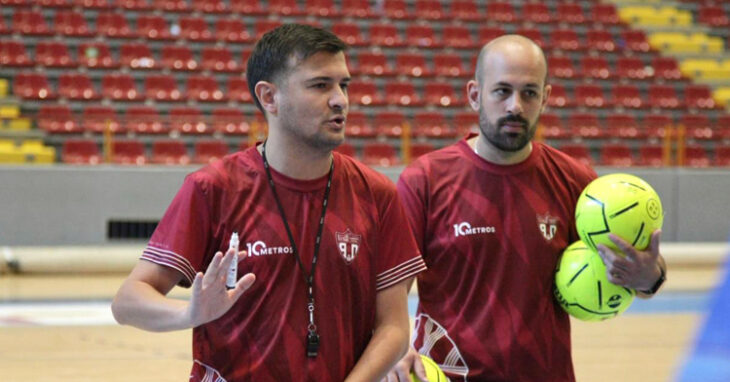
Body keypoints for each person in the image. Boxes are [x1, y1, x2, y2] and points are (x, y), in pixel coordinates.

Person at [112, 24, 426, 381]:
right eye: (321, 85)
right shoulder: (213, 188)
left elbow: (394, 328)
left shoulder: (377, 193)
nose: (340, 99)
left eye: (344, 85)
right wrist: (190, 314)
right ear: (269, 97)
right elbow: (128, 301)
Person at [386, 35, 667, 381]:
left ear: (546, 98)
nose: (515, 106)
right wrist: (396, 346)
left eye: (529, 93)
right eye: (502, 91)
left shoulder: (575, 181)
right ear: (475, 95)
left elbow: (638, 264)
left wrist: (649, 277)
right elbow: (390, 285)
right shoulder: (425, 180)